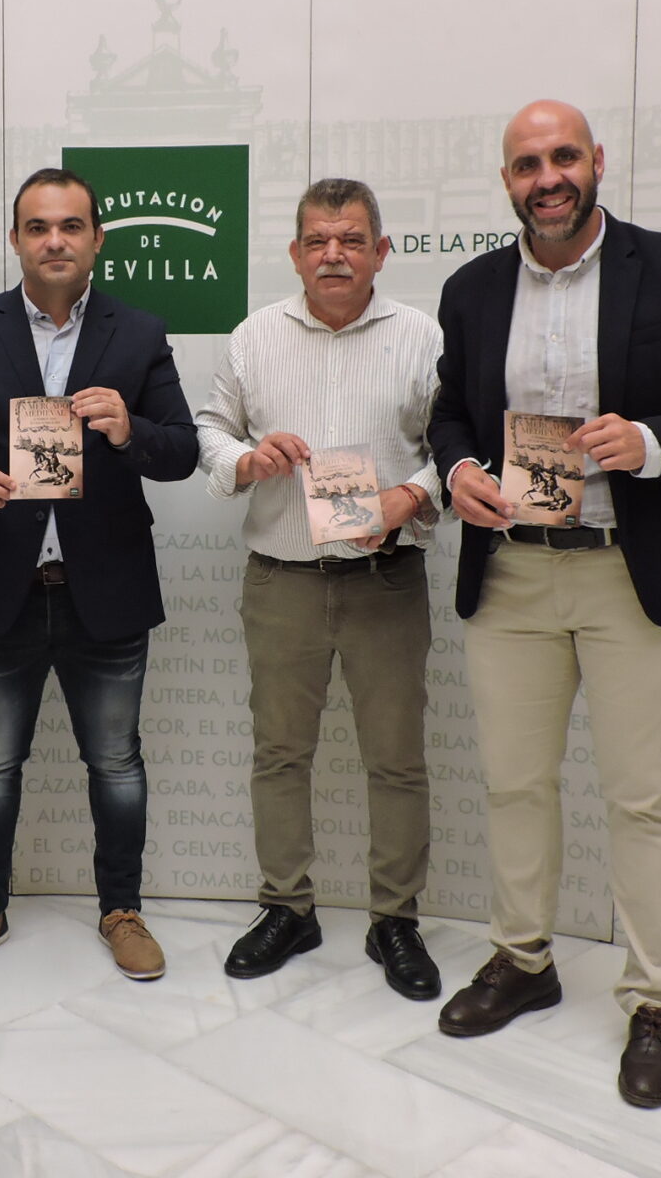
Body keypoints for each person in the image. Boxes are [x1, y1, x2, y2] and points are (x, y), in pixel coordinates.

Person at [428, 100, 661, 1108]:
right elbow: (450, 413)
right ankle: (522, 960)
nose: (548, 178)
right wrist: (457, 470)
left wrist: (652, 442)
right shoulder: (471, 289)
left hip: (635, 571)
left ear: (597, 162)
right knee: (514, 783)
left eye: (563, 156)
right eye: (527, 163)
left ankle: (655, 1000)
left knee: (643, 799)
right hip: (514, 570)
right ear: (507, 181)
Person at [0, 167, 198, 982]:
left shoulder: (139, 333)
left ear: (97, 238)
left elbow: (182, 451)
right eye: (38, 227)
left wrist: (129, 430)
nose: (55, 241)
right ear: (16, 240)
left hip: (105, 589)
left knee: (117, 764)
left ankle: (122, 910)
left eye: (71, 226)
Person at [194, 178, 445, 1001]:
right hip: (283, 582)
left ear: (381, 251)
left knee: (396, 760)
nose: (333, 255)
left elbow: (457, 445)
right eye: (317, 241)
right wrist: (245, 460)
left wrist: (412, 494)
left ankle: (395, 918)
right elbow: (210, 428)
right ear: (296, 253)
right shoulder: (254, 336)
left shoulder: (423, 338)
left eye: (351, 240)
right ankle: (287, 907)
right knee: (279, 753)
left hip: (385, 581)